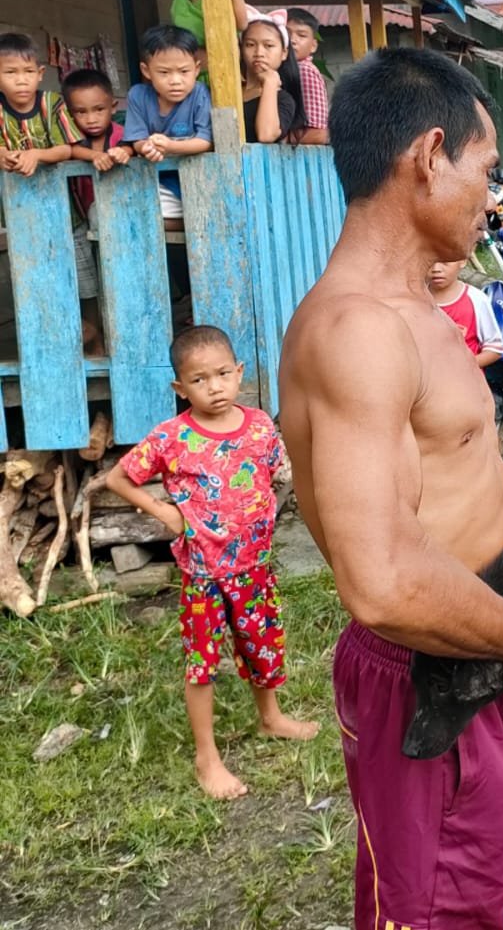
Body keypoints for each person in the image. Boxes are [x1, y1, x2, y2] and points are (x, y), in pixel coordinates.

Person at [276, 47, 503, 930]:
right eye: (486, 170)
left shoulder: (420, 310)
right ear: (428, 156)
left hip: (478, 642)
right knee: (436, 912)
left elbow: (463, 496)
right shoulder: (358, 331)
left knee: (472, 894)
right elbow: (381, 577)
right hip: (436, 666)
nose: (492, 195)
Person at [104, 325, 319, 800]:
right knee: (203, 663)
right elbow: (118, 478)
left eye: (223, 373)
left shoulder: (261, 424)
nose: (215, 386)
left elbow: (282, 471)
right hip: (204, 574)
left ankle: (271, 717)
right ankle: (207, 757)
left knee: (261, 643)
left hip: (255, 566)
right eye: (199, 380)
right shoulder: (172, 437)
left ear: (240, 371)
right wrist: (165, 513)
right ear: (180, 388)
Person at [0, 32, 103, 354]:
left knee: (87, 289)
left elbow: (68, 149)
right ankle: (51, 348)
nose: (21, 81)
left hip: (67, 218)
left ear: (40, 74)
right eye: (11, 73)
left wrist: (36, 155)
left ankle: (95, 343)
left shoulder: (51, 103)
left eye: (28, 73)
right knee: (38, 288)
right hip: (21, 223)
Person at [122, 24, 213, 226]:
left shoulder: (199, 94)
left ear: (196, 69)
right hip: (159, 180)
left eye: (183, 71)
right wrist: (146, 148)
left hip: (198, 180)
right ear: (146, 70)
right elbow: (136, 139)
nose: (175, 81)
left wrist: (170, 147)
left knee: (201, 219)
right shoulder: (138, 96)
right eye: (164, 72)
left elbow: (205, 141)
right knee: (133, 216)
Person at [65, 68, 132, 221]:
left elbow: (132, 146)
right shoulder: (71, 136)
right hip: (82, 215)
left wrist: (124, 152)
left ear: (113, 107)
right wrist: (95, 155)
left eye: (99, 109)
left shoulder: (122, 133)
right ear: (69, 113)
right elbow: (70, 150)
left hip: (123, 210)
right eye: (81, 112)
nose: (91, 119)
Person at [239, 11, 307, 144]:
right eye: (250, 45)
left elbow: (266, 135)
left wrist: (270, 83)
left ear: (284, 53)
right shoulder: (229, 92)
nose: (259, 53)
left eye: (268, 46)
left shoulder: (283, 100)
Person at [429, 258, 503, 369]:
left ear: (463, 261)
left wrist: (461, 368)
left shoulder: (476, 299)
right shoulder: (414, 299)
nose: (436, 269)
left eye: (445, 261)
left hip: (463, 382)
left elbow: (495, 350)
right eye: (430, 260)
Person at [285, 8, 330, 145]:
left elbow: (318, 132)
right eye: (287, 33)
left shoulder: (304, 71)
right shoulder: (285, 70)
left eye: (302, 35)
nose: (293, 40)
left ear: (313, 46)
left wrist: (281, 141)